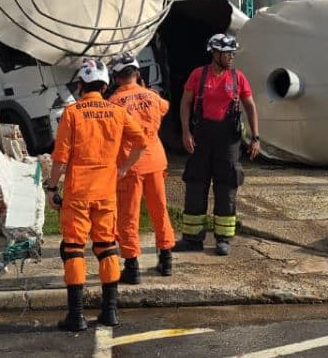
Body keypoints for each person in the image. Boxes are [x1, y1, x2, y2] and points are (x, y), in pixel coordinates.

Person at [47, 59, 148, 332]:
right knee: (106, 247)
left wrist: (51, 187)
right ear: (105, 86)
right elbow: (142, 142)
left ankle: (76, 316)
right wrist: (123, 169)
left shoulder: (73, 113)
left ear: (81, 85)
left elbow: (60, 157)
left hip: (78, 190)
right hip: (106, 190)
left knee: (73, 249)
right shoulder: (117, 112)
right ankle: (110, 312)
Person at [176, 34, 261, 256]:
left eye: (233, 53)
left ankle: (223, 239)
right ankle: (192, 238)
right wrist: (185, 132)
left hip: (228, 142)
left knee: (226, 187)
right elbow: (185, 103)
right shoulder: (198, 75)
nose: (232, 57)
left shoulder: (238, 77)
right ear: (214, 53)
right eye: (227, 53)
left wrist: (256, 137)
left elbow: (250, 106)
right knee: (196, 185)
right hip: (202, 139)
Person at [106, 53, 175, 283]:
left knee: (128, 217)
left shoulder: (114, 103)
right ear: (138, 73)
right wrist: (146, 91)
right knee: (160, 210)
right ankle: (166, 260)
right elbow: (164, 108)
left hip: (129, 165)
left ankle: (132, 266)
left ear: (115, 77)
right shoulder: (152, 97)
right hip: (155, 161)